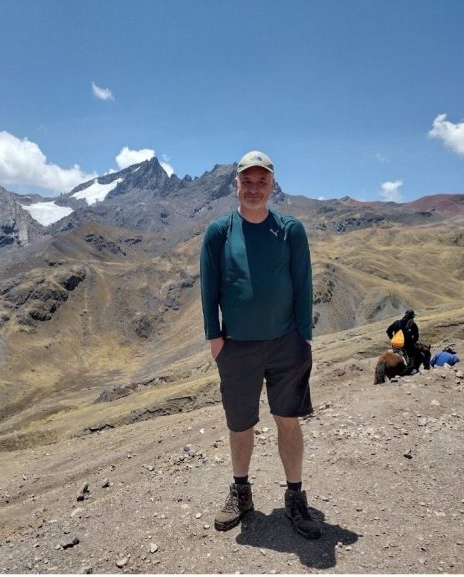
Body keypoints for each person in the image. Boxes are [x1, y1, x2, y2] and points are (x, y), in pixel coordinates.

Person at [200, 150, 321, 539]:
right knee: (240, 423)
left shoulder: (290, 230)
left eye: (262, 181)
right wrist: (215, 339)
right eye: (247, 181)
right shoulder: (219, 232)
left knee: (287, 419)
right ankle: (241, 491)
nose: (254, 188)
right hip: (237, 347)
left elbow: (303, 284)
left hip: (287, 344)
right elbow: (209, 289)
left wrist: (304, 336)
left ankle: (295, 496)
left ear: (272, 185)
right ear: (236, 184)